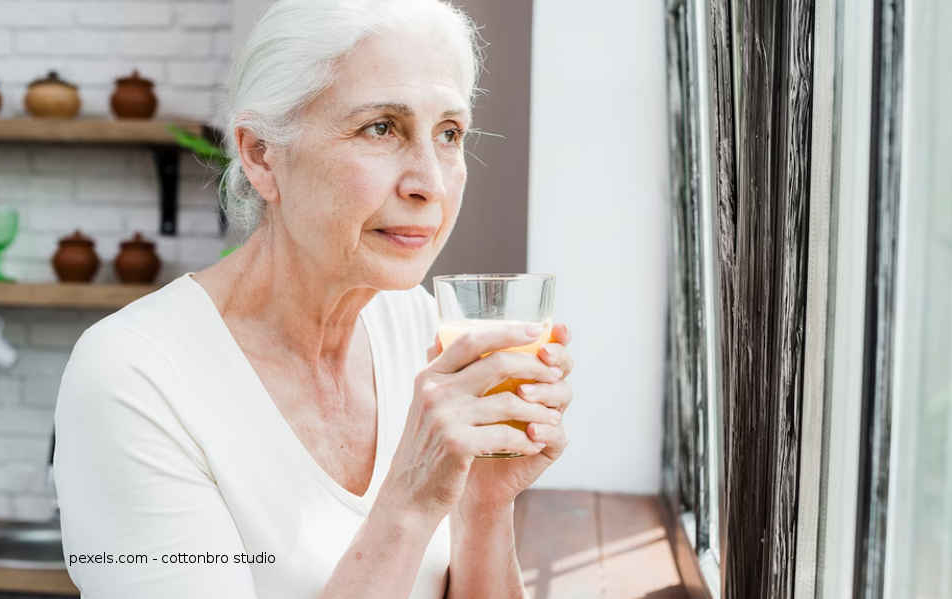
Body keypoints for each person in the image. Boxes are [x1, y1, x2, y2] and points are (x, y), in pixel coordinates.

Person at [53, 1, 575, 597]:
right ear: (260, 155)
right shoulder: (133, 375)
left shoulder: (424, 335)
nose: (429, 183)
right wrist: (411, 497)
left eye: (449, 134)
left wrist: (483, 502)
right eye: (381, 127)